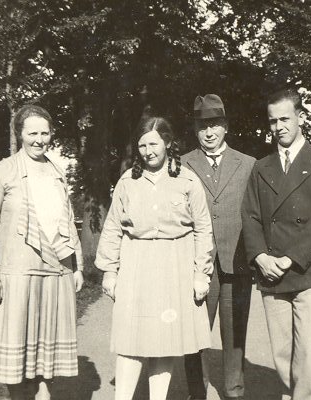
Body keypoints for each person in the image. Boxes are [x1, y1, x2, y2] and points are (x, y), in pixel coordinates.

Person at [95, 116, 214, 400]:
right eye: (142, 145)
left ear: (168, 143)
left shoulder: (187, 181)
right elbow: (113, 227)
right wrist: (110, 271)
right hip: (136, 264)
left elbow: (203, 228)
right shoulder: (128, 181)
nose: (148, 151)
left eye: (153, 144)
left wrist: (201, 274)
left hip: (176, 266)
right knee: (130, 339)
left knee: (165, 342)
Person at [0, 104, 84, 400]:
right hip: (18, 273)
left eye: (45, 132)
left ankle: (44, 395)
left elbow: (68, 220)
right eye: (32, 133)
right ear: (20, 134)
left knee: (45, 347)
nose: (39, 139)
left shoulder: (57, 172)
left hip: (56, 270)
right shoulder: (3, 172)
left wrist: (77, 266)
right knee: (16, 352)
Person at [241, 88, 311, 400]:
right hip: (272, 273)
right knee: (283, 358)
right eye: (273, 121)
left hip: (310, 272)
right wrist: (259, 257)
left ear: (301, 117)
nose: (279, 127)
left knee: (310, 360)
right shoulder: (262, 168)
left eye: (285, 118)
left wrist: (289, 259)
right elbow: (251, 216)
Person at [182, 94, 255, 400]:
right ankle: (196, 393)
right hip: (198, 265)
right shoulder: (182, 164)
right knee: (195, 335)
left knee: (235, 334)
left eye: (214, 125)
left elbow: (255, 214)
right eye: (202, 126)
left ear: (225, 126)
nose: (209, 132)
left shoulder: (249, 164)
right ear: (195, 130)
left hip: (237, 263)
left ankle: (234, 392)